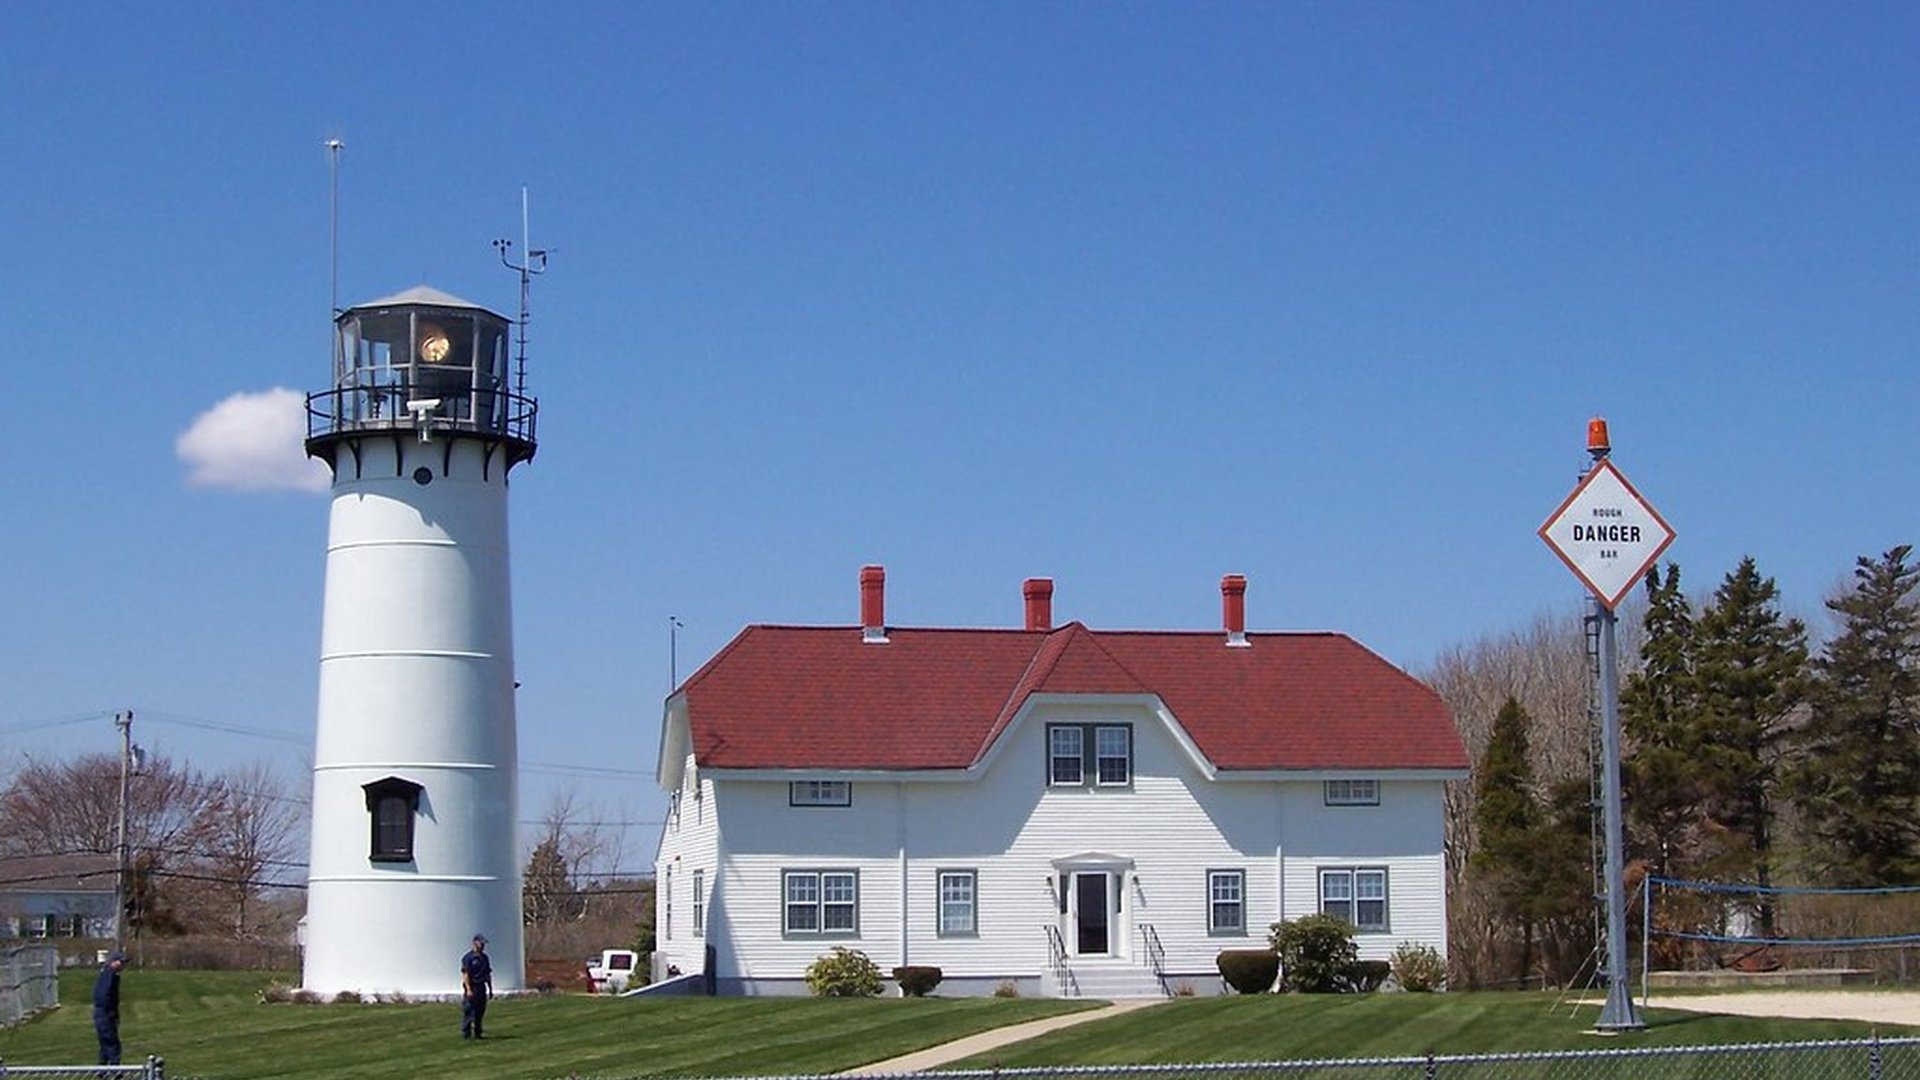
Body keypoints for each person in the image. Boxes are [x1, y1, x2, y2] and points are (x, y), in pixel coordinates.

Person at [93, 950, 125, 1066]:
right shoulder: (109, 974)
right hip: (105, 1013)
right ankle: (115, 1070)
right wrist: (110, 1010)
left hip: (104, 1013)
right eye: (120, 962)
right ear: (113, 962)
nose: (123, 965)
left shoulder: (109, 973)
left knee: (105, 1043)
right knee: (112, 1042)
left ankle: (102, 1069)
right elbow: (102, 995)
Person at [460, 933, 492, 1039]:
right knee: (469, 1010)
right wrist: (468, 989)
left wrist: (490, 989)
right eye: (481, 943)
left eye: (484, 944)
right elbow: (466, 974)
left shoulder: (485, 958)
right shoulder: (468, 958)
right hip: (472, 986)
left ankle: (478, 1032)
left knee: (480, 1011)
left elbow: (487, 974)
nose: (483, 946)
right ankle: (466, 1032)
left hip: (481, 986)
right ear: (475, 943)